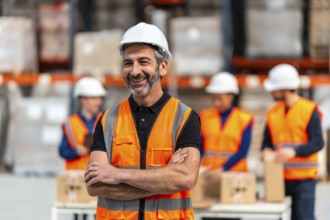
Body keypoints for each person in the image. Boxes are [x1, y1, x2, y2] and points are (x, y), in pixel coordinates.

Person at [84, 22, 201, 220]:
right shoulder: (108, 120)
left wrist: (117, 174)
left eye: (143, 62)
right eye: (128, 63)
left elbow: (185, 178)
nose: (135, 71)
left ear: (162, 66)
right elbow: (96, 185)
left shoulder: (185, 118)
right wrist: (164, 177)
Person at [261, 64, 324, 220]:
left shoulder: (309, 110)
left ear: (285, 88)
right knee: (277, 216)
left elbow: (318, 142)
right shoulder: (272, 112)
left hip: (304, 180)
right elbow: (267, 143)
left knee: (303, 217)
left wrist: (294, 152)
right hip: (279, 177)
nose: (271, 91)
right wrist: (265, 151)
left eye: (274, 88)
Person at [200, 72, 254, 175]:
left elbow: (243, 151)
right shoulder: (205, 117)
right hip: (209, 173)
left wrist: (222, 168)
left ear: (231, 96)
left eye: (220, 99)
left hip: (235, 174)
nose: (216, 103)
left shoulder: (244, 118)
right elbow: (200, 147)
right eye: (214, 98)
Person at [59, 76, 107, 170]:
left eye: (100, 98)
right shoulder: (70, 123)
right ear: (82, 99)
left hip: (98, 175)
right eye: (94, 98)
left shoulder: (104, 120)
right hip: (76, 177)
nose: (99, 102)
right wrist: (76, 152)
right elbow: (62, 151)